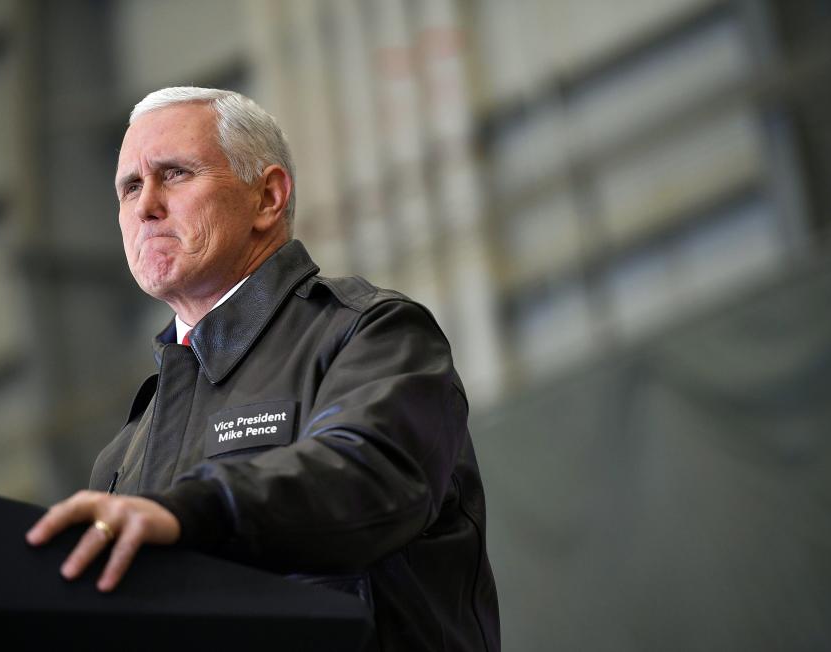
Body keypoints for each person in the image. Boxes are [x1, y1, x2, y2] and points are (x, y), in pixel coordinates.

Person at [26, 87, 499, 651]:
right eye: (130, 187)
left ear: (268, 198)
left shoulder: (369, 334)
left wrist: (189, 513)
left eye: (174, 174)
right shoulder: (120, 459)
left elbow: (365, 477)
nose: (145, 206)